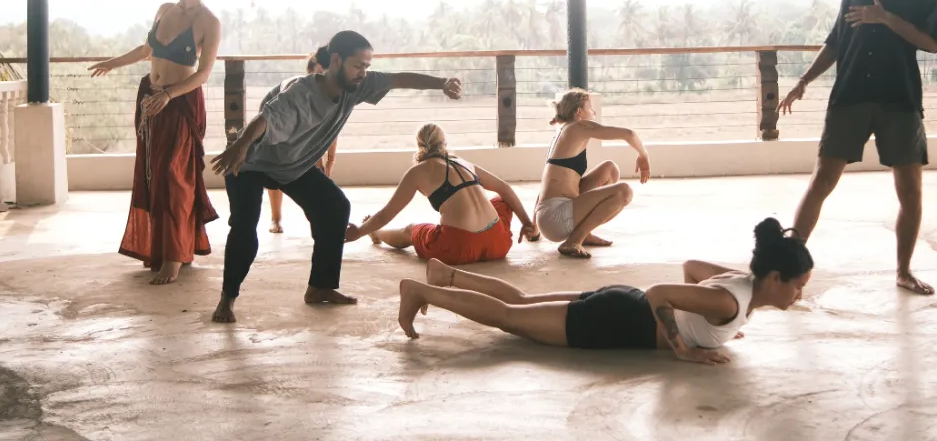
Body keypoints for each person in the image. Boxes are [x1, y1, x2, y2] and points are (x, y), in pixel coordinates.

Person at [209, 30, 463, 323]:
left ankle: (321, 287)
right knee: (244, 226)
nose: (363, 72)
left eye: (367, 66)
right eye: (358, 66)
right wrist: (240, 145)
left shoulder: (357, 86)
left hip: (293, 166)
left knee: (334, 208)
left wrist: (441, 83)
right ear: (337, 60)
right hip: (249, 162)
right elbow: (264, 119)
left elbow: (397, 79)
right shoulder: (301, 93)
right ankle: (227, 299)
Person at [778, 0, 937, 296]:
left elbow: (932, 42)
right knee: (822, 180)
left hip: (899, 98)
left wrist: (885, 18)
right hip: (850, 94)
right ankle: (786, 269)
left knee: (911, 191)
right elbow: (837, 41)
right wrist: (803, 80)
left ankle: (903, 271)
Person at [396, 217, 813, 366]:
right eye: (798, 286)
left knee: (519, 302)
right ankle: (421, 292)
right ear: (776, 277)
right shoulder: (729, 301)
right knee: (509, 319)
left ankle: (447, 275)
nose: (799, 295)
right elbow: (659, 293)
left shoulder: (740, 285)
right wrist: (684, 348)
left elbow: (692, 268)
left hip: (620, 303)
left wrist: (700, 324)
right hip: (614, 321)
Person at [89, 0, 222, 285]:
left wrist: (169, 95)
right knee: (154, 176)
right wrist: (112, 63)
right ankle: (167, 249)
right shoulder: (164, 10)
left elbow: (203, 74)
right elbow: (146, 51)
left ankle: (175, 257)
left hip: (180, 102)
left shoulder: (209, 21)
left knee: (175, 177)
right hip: (150, 97)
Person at [344, 123, 537, 265]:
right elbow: (505, 188)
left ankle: (377, 233)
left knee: (411, 230)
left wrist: (359, 232)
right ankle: (530, 230)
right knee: (501, 200)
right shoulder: (462, 162)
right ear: (444, 143)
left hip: (458, 248)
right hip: (498, 243)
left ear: (419, 145)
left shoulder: (417, 172)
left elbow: (386, 213)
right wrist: (527, 224)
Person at [529, 88, 650, 259]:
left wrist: (535, 228)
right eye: (590, 108)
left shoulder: (564, 132)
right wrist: (643, 156)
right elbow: (628, 134)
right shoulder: (578, 127)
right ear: (579, 112)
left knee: (609, 169)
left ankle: (583, 234)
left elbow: (548, 184)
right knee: (625, 191)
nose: (594, 112)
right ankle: (574, 240)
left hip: (550, 216)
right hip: (556, 218)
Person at [267, 52, 338, 234]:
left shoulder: (333, 91)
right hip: (277, 118)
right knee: (276, 168)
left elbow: (332, 128)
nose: (324, 76)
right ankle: (276, 218)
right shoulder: (298, 89)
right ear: (310, 72)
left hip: (303, 125)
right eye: (320, 71)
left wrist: (329, 161)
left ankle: (319, 219)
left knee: (317, 173)